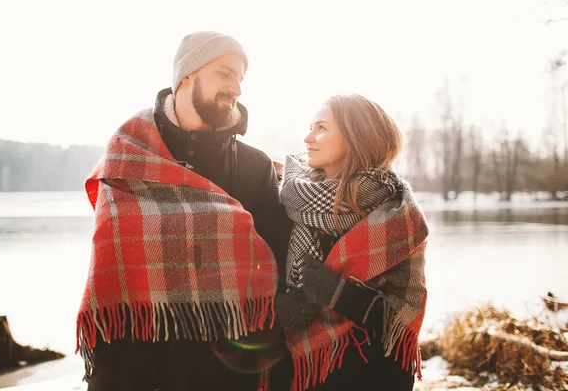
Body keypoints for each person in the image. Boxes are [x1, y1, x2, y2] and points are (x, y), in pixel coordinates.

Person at [76, 31, 286, 391]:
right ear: (186, 75)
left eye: (240, 78)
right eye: (225, 73)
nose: (236, 88)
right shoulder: (127, 159)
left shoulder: (254, 167)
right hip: (138, 359)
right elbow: (115, 277)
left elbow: (277, 267)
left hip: (226, 368)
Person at [270, 94, 430, 391]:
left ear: (357, 136)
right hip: (303, 372)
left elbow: (400, 319)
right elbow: (261, 276)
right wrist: (277, 308)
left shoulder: (398, 215)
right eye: (310, 127)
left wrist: (339, 294)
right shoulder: (288, 201)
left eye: (321, 128)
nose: (307, 138)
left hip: (373, 372)